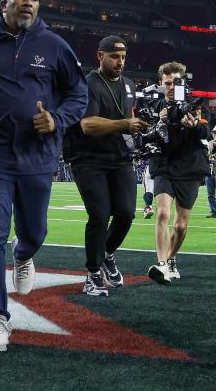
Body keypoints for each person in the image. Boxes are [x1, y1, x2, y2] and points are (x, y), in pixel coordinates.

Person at [0, 0, 88, 353]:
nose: (28, 3)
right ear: (4, 5)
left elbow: (78, 95)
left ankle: (25, 253)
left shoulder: (55, 45)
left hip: (37, 156)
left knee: (35, 231)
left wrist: (57, 120)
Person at [64, 35, 148, 296]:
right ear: (100, 56)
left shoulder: (129, 85)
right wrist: (124, 125)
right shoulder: (87, 84)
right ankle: (92, 274)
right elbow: (88, 125)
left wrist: (141, 132)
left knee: (125, 214)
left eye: (123, 57)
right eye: (114, 56)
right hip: (88, 159)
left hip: (119, 157)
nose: (120, 62)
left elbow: (128, 121)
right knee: (100, 215)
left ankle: (107, 254)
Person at [145, 63, 210, 284]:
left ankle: (171, 259)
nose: (172, 87)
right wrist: (160, 121)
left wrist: (193, 126)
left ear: (184, 82)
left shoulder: (196, 105)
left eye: (176, 82)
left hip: (190, 167)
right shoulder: (155, 106)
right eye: (168, 83)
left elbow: (206, 133)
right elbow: (146, 135)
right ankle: (162, 265)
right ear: (162, 84)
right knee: (162, 214)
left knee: (181, 225)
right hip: (164, 165)